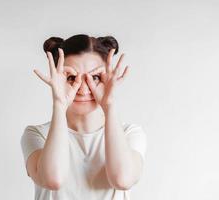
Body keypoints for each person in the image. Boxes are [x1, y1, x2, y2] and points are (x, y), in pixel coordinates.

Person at [20, 34, 147, 200]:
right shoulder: (37, 134)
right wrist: (59, 103)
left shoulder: (130, 133)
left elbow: (122, 180)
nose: (83, 88)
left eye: (95, 77)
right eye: (71, 78)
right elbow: (53, 179)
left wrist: (109, 105)